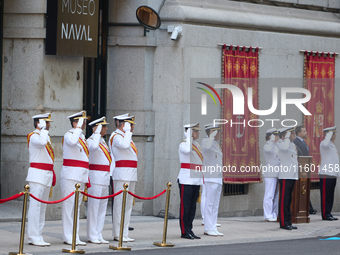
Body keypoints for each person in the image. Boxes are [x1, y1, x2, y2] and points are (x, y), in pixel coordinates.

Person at [26, 113, 55, 247]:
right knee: (35, 207)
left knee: (42, 208)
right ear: (39, 124)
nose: (49, 125)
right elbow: (42, 143)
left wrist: (44, 131)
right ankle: (33, 236)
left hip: (46, 174)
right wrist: (43, 130)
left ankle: (39, 235)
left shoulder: (44, 135)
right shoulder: (33, 137)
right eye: (46, 122)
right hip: (37, 175)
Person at [61, 110, 89, 245]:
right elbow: (72, 143)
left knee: (76, 208)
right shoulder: (69, 135)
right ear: (75, 122)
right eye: (81, 121)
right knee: (69, 207)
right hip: (71, 176)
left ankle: (75, 235)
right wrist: (77, 128)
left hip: (80, 176)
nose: (84, 123)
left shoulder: (81, 137)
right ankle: (68, 236)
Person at [109, 113, 137, 242]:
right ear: (123, 124)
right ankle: (118, 233)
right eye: (129, 124)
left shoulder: (125, 137)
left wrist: (127, 133)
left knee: (128, 206)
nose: (131, 127)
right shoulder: (116, 137)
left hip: (130, 174)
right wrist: (127, 132)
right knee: (120, 205)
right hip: (121, 174)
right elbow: (125, 146)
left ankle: (124, 232)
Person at [86, 117, 111, 244]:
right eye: (104, 126)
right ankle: (92, 234)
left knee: (102, 208)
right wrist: (96, 132)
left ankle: (98, 232)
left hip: (104, 177)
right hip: (95, 177)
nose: (106, 128)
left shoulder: (103, 141)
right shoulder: (91, 140)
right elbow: (93, 148)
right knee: (94, 207)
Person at [178, 123, 203, 240]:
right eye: (195, 131)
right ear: (189, 132)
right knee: (185, 207)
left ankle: (189, 229)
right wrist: (188, 136)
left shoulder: (196, 145)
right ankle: (184, 231)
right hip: (186, 180)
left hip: (195, 180)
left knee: (192, 207)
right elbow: (187, 152)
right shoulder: (184, 145)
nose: (198, 133)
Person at [201, 123, 223, 237]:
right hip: (210, 178)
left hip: (218, 177)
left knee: (215, 205)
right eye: (217, 132)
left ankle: (213, 227)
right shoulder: (206, 141)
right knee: (209, 204)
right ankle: (208, 228)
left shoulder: (216, 144)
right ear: (211, 132)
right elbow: (206, 148)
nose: (219, 134)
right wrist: (211, 136)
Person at [276, 127, 298, 230]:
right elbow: (284, 149)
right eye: (292, 133)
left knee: (289, 200)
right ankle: (283, 223)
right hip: (285, 176)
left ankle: (288, 221)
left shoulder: (292, 144)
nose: (294, 135)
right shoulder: (281, 143)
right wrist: (287, 137)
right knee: (284, 201)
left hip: (292, 175)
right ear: (286, 135)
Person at [293, 125, 316, 214]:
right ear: (299, 133)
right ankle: (305, 208)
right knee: (301, 188)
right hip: (300, 169)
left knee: (304, 188)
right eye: (304, 131)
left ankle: (308, 208)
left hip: (305, 169)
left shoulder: (302, 142)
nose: (306, 132)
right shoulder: (296, 142)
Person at [319, 126, 339, 221]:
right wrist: (328, 135)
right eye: (333, 133)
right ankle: (325, 214)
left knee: (330, 195)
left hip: (332, 173)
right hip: (326, 173)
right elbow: (326, 144)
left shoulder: (332, 145)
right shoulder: (324, 143)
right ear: (329, 134)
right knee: (325, 195)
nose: (335, 135)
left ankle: (328, 213)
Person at [262, 128, 280, 222]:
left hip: (278, 173)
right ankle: (268, 215)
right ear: (271, 136)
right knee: (269, 195)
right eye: (276, 135)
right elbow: (268, 150)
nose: (277, 137)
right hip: (270, 173)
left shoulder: (276, 146)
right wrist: (271, 140)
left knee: (276, 195)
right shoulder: (268, 145)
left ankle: (274, 213)